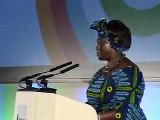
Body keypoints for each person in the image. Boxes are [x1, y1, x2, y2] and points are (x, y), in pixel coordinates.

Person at [86, 18, 146, 120]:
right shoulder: (99, 73)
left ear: (114, 44)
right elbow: (91, 105)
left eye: (101, 43)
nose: (96, 47)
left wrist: (94, 117)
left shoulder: (130, 72)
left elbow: (126, 109)